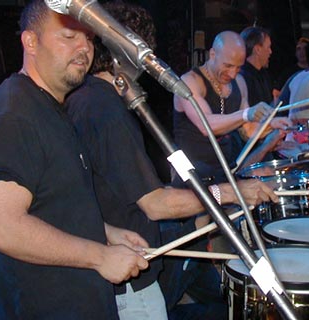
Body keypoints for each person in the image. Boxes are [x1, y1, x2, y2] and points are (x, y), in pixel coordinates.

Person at [65, 3, 279, 319]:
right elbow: (155, 204)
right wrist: (234, 193)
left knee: (220, 296)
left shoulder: (94, 99)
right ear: (124, 50)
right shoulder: (103, 108)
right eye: (144, 51)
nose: (148, 63)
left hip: (141, 247)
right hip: (131, 273)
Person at [0, 1, 151, 319]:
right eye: (69, 37)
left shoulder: (53, 107)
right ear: (31, 41)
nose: (84, 48)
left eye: (89, 38)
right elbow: (1, 225)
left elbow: (51, 203)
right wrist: (100, 256)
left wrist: (104, 231)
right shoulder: (14, 114)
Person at [173, 30, 289, 185]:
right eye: (228, 66)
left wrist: (271, 126)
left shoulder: (239, 83)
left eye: (238, 67)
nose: (233, 74)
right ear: (213, 54)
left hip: (224, 172)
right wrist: (247, 114)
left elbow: (248, 130)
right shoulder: (189, 81)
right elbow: (206, 125)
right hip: (190, 174)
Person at [236, 26, 291, 165]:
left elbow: (269, 109)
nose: (271, 52)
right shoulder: (242, 77)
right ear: (257, 49)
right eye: (268, 47)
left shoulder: (264, 75)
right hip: (248, 151)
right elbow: (246, 124)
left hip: (264, 143)